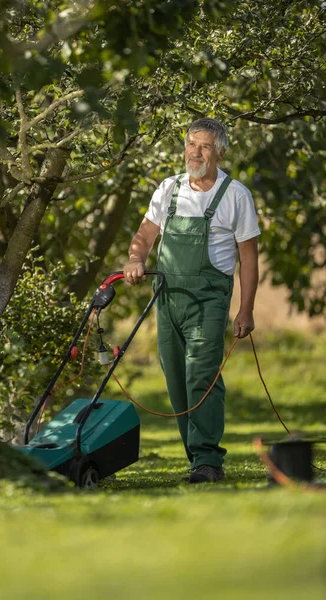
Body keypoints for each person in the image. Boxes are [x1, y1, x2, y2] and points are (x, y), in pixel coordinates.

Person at [123, 118, 260, 484]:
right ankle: (196, 458)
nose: (196, 153)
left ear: (220, 152)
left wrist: (245, 309)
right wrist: (136, 260)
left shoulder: (236, 195)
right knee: (176, 381)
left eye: (205, 146)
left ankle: (207, 460)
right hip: (168, 300)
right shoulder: (169, 189)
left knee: (202, 374)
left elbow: (248, 258)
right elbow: (145, 234)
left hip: (209, 301)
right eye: (191, 144)